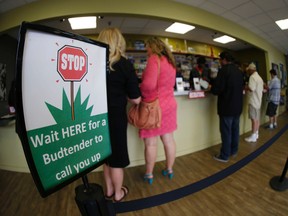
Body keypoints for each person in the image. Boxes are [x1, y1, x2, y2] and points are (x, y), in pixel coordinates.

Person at [97, 27, 141, 202]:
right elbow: (136, 99)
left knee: (105, 156)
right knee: (116, 158)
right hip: (116, 117)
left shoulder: (94, 64)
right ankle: (118, 194)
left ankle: (108, 190)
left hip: (96, 118)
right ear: (119, 42)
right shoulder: (124, 64)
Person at [140, 37, 177, 184]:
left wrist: (141, 90)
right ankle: (169, 169)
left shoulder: (154, 59)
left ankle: (149, 174)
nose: (146, 51)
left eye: (147, 47)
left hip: (154, 107)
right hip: (169, 105)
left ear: (153, 46)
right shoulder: (170, 61)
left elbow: (148, 85)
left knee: (151, 143)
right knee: (169, 140)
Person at [211, 51, 243, 162]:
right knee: (235, 130)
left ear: (224, 59)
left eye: (220, 59)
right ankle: (233, 151)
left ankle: (224, 155)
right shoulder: (239, 71)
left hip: (227, 107)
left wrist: (212, 86)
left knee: (226, 132)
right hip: (238, 107)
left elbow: (216, 90)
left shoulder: (223, 71)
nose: (220, 61)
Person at [244, 62, 264, 142]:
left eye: (249, 70)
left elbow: (251, 88)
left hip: (253, 101)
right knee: (257, 118)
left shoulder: (252, 77)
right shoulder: (259, 77)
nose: (248, 72)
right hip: (258, 101)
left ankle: (253, 136)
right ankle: (256, 134)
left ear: (251, 70)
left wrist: (246, 87)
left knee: (254, 119)